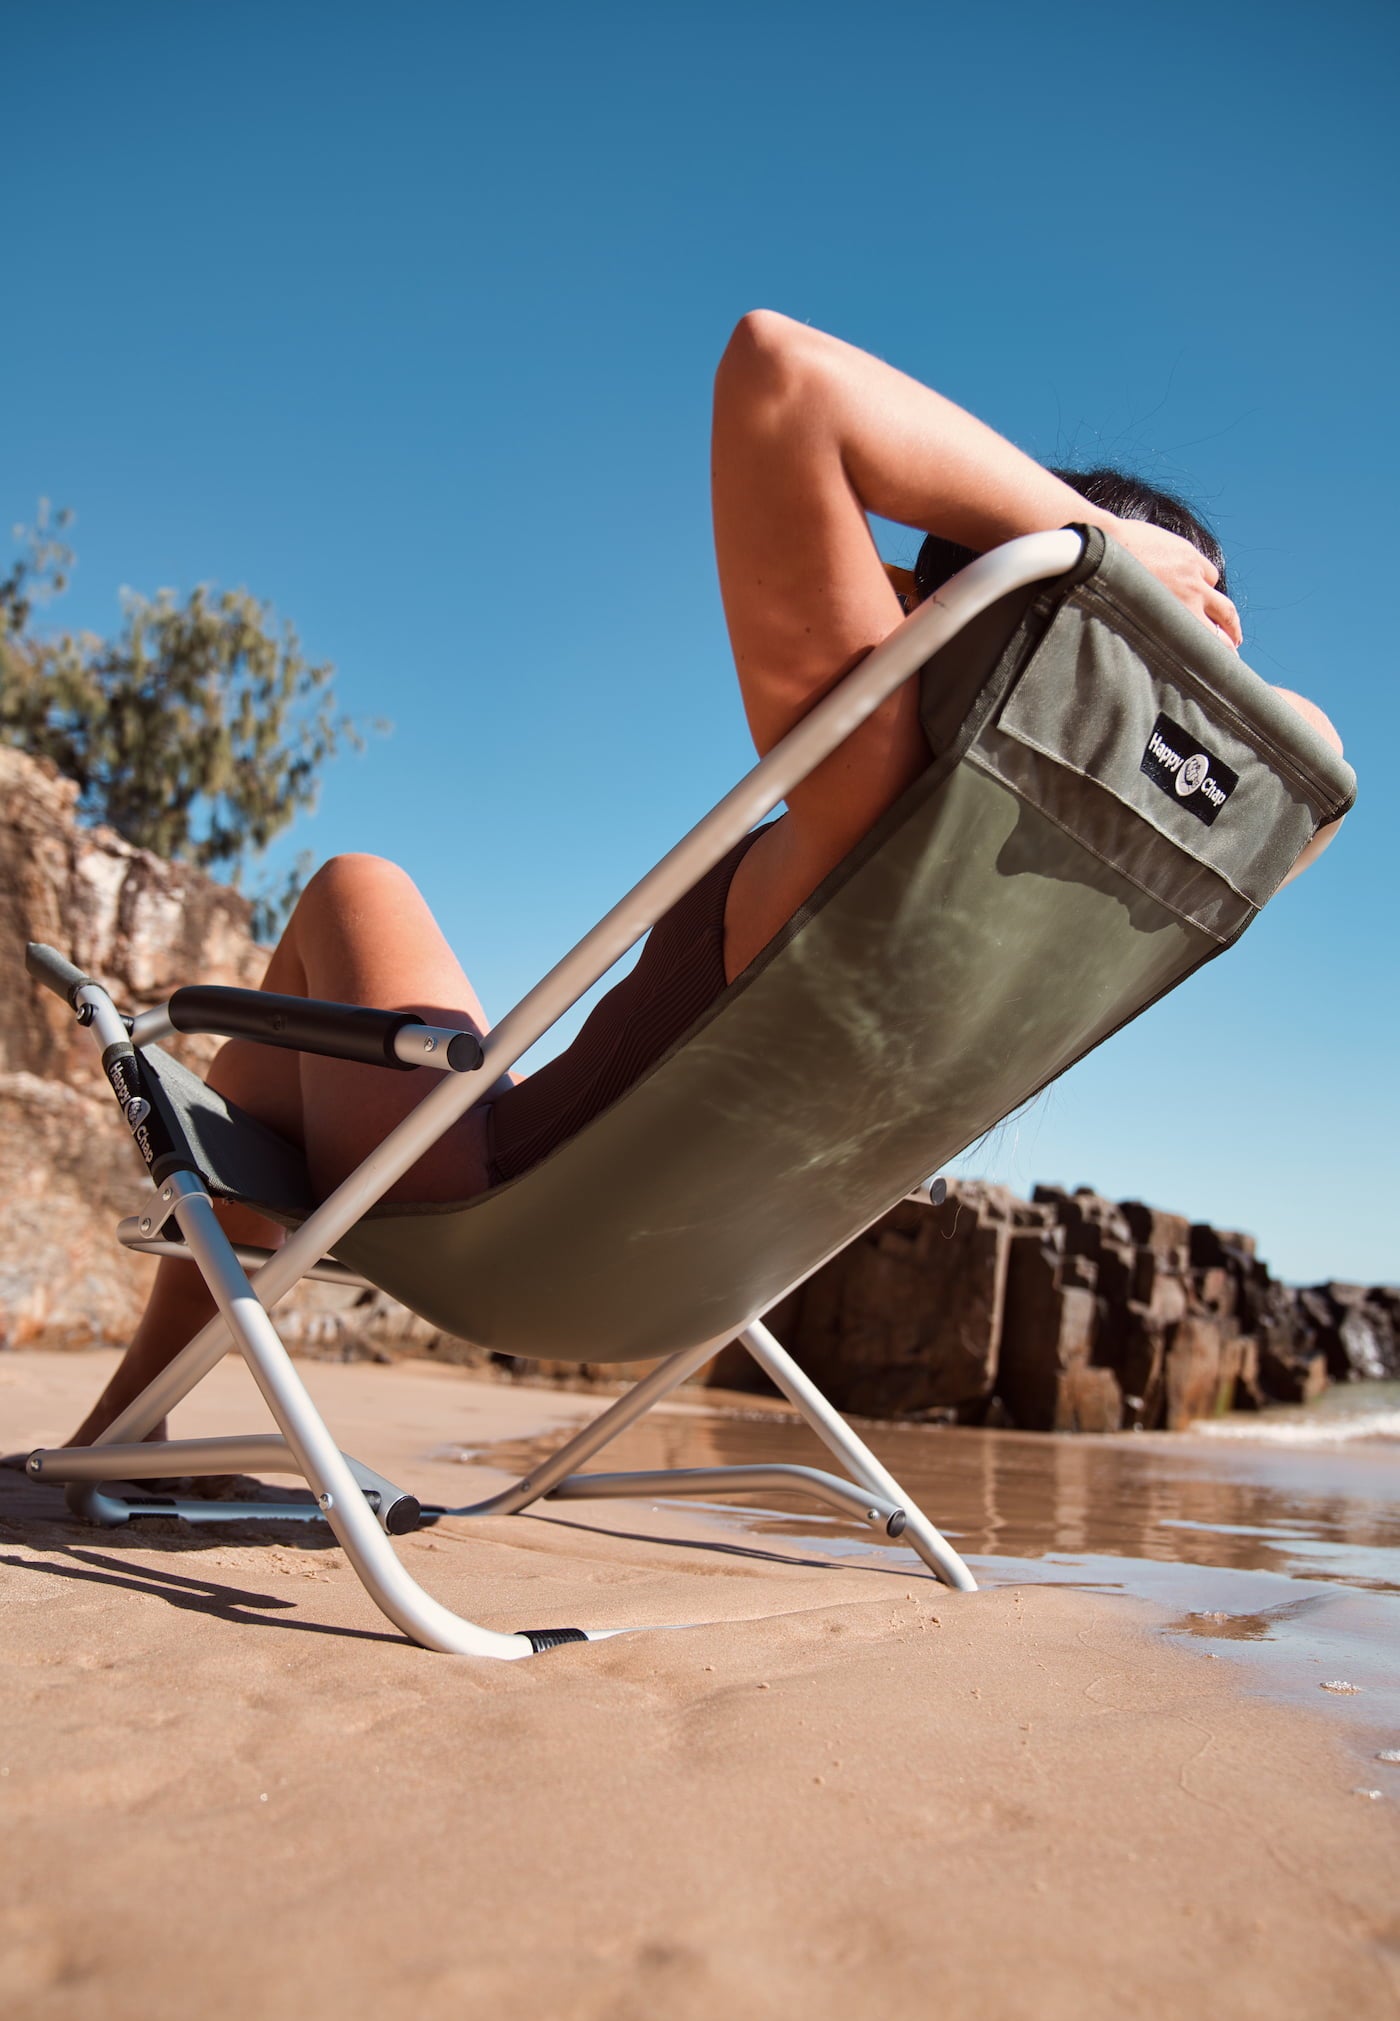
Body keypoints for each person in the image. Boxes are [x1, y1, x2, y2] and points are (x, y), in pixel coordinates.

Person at [67, 311, 1342, 1446]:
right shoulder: (1138, 902)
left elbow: (780, 374)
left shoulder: (872, 786)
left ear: (935, 602)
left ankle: (134, 1404)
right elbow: (1316, 777)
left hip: (497, 1227)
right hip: (703, 1284)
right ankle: (169, 1360)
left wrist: (1094, 541)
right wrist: (1191, 647)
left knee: (357, 882)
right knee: (333, 1052)